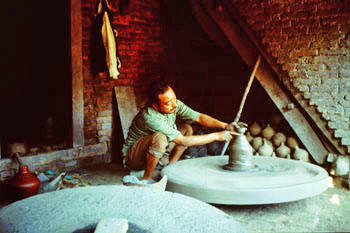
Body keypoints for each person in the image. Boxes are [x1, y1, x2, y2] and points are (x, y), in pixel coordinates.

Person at [122, 80, 237, 183]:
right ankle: (147, 179)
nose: (174, 105)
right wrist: (216, 136)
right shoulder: (149, 117)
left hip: (155, 150)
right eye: (168, 103)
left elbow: (199, 117)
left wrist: (225, 125)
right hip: (134, 158)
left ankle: (169, 168)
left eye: (174, 99)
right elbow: (183, 141)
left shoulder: (174, 105)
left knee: (187, 128)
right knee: (160, 137)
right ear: (155, 106)